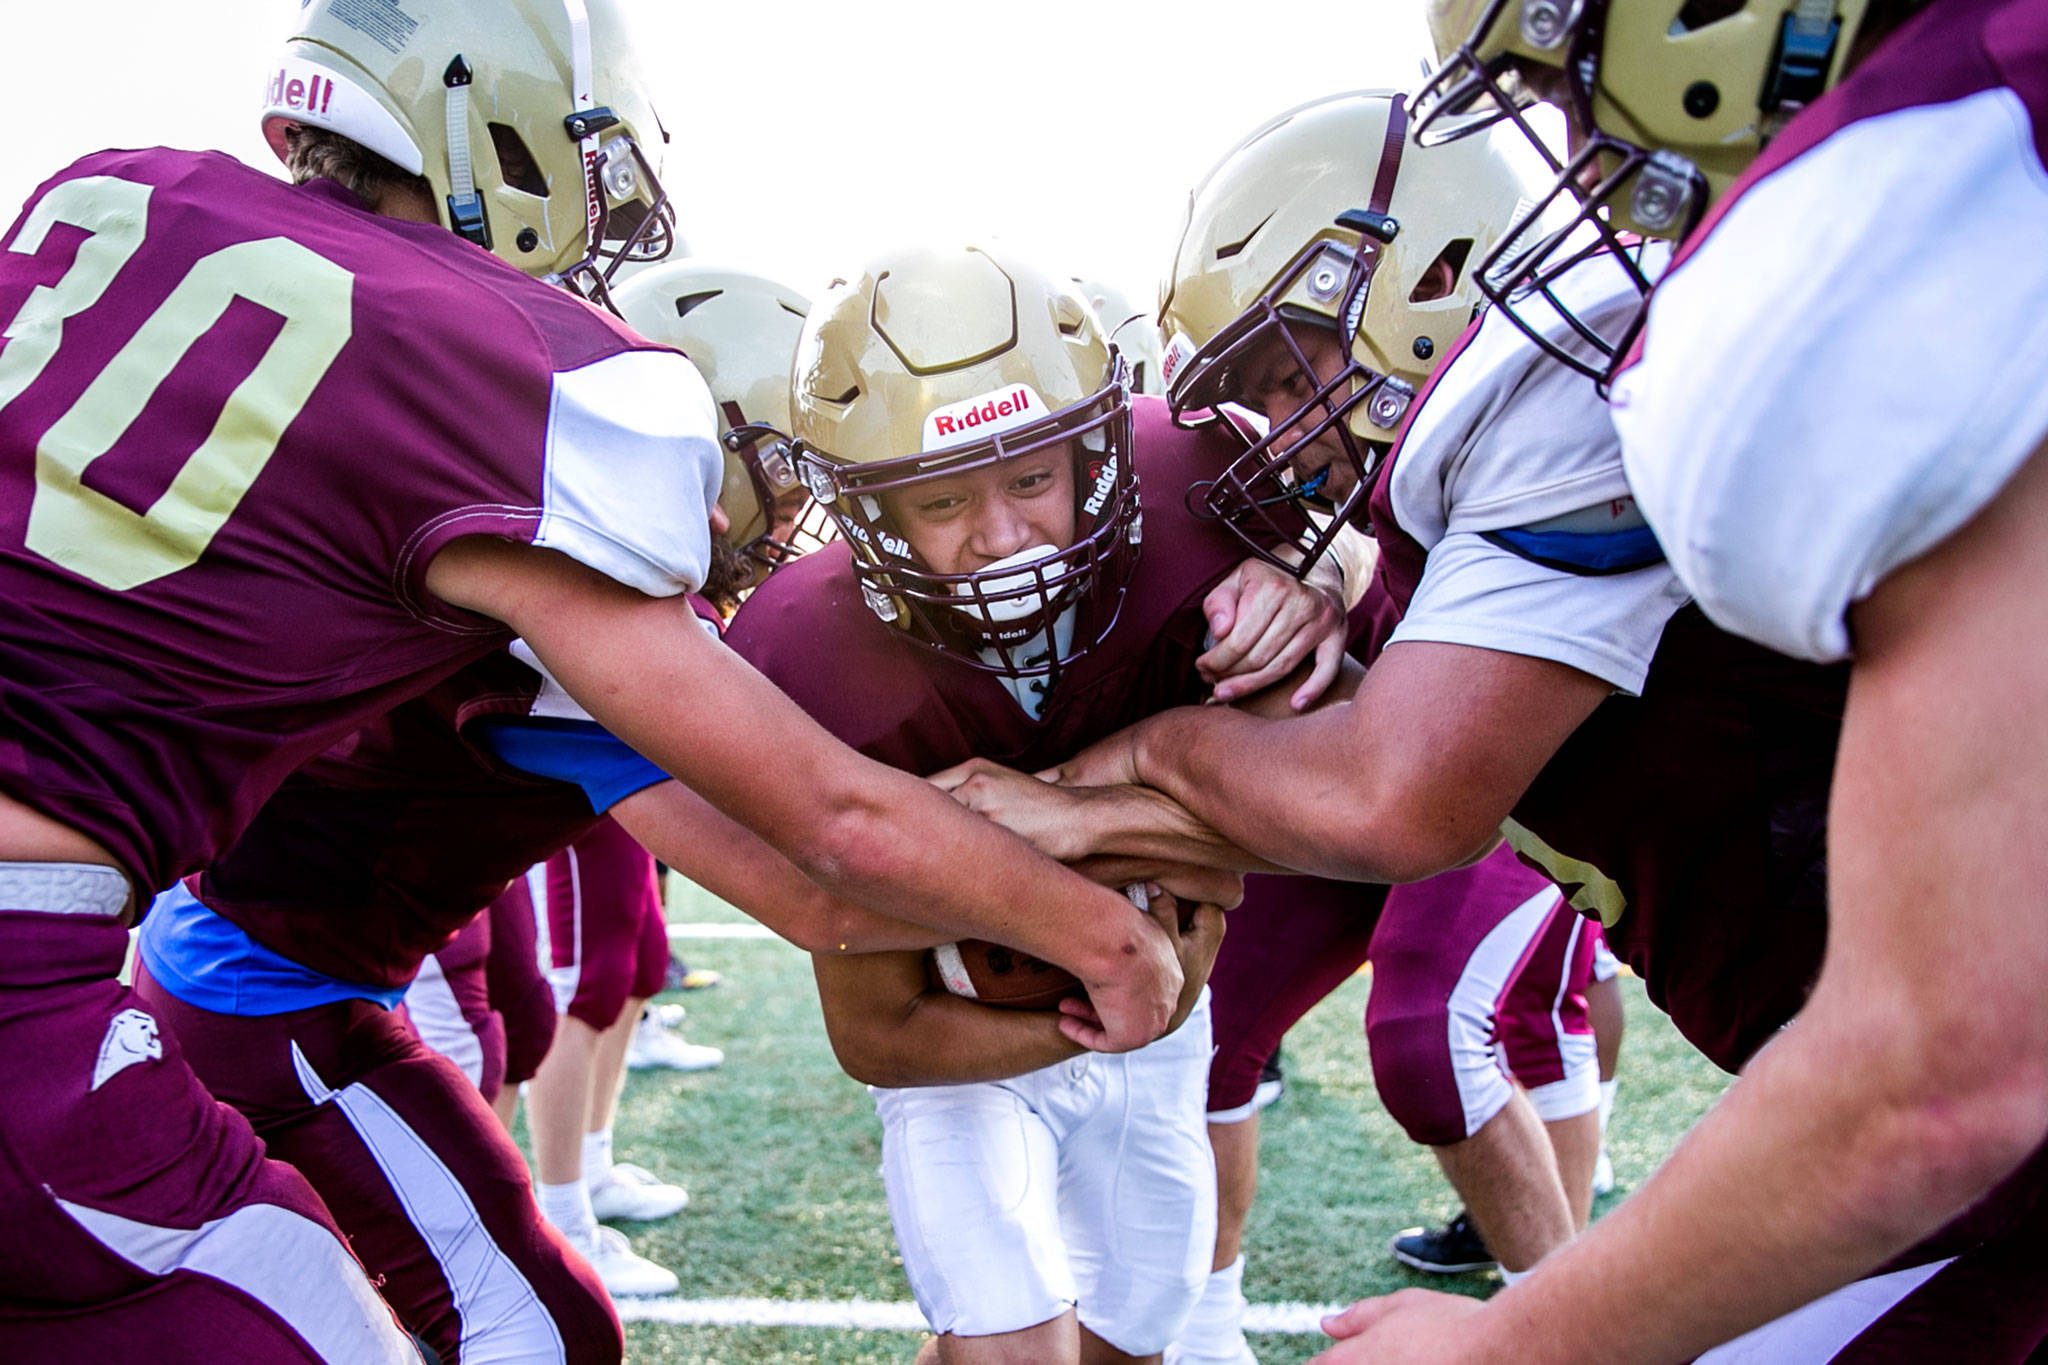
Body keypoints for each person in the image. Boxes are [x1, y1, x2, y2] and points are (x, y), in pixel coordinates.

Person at [0, 3, 1185, 1354]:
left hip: (150, 951)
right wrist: (1112, 920)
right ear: (492, 127)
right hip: (127, 974)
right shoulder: (504, 403)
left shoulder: (109, 193)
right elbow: (826, 862)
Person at [1302, 0, 2048, 1358]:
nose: (1577, 141)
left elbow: (1942, 1073)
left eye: (1564, 75)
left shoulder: (1935, 178)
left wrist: (1503, 1348)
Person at [722, 243, 1356, 1365]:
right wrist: (1153, 864)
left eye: (1029, 479)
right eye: (942, 500)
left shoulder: (1196, 492)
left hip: (1159, 1035)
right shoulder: (806, 652)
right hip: (960, 1042)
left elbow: (1346, 791)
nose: (1003, 538)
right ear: (866, 515)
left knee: (1130, 1340)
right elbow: (877, 1028)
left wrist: (1323, 585)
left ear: (1099, 456)